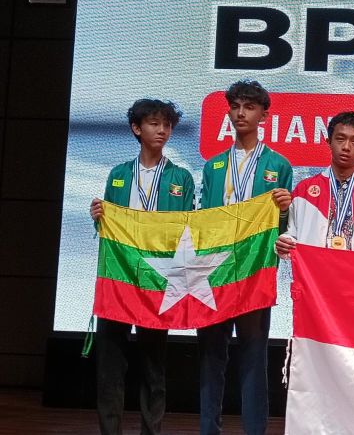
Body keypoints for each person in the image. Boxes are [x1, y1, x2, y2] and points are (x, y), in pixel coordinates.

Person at [89, 99, 195, 435]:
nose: (162, 130)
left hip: (157, 280)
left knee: (153, 367)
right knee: (110, 367)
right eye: (153, 123)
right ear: (137, 128)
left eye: (167, 125)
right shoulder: (119, 175)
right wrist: (98, 217)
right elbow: (108, 230)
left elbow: (187, 230)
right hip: (119, 278)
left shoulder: (181, 177)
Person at [197, 80, 292, 435]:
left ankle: (254, 430)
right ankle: (209, 429)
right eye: (235, 106)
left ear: (264, 115)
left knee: (253, 357)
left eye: (249, 107)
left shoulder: (278, 165)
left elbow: (283, 227)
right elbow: (203, 220)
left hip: (254, 273)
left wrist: (286, 209)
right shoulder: (214, 167)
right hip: (214, 272)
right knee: (211, 356)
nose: (241, 113)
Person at [275, 110, 354, 257]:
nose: (346, 147)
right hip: (314, 271)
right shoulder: (304, 189)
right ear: (328, 142)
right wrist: (284, 244)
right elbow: (291, 236)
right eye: (340, 139)